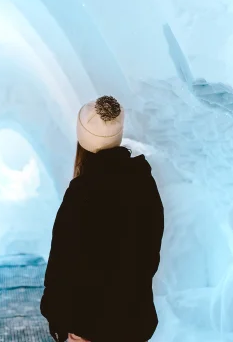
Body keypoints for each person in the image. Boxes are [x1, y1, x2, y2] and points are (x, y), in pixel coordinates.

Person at [40, 96, 164, 342]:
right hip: (133, 321)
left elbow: (63, 264)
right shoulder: (143, 183)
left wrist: (57, 317)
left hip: (87, 325)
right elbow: (150, 253)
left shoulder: (81, 193)